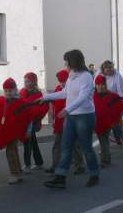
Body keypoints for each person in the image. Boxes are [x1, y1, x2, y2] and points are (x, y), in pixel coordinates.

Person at [39, 50, 99, 189]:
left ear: (73, 62)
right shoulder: (71, 76)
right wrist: (46, 97)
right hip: (71, 117)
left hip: (84, 116)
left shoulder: (86, 77)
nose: (65, 65)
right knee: (66, 148)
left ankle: (94, 174)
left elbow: (83, 97)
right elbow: (65, 93)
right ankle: (60, 178)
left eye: (67, 62)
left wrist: (67, 109)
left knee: (86, 148)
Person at [0, 78, 33, 185]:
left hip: (14, 132)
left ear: (15, 90)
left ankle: (15, 173)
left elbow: (28, 117)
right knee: (13, 152)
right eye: (6, 91)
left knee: (10, 153)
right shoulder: (2, 101)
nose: (8, 93)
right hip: (6, 131)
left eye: (10, 90)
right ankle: (18, 172)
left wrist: (28, 130)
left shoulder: (20, 102)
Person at [45, 69, 85, 175]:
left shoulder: (74, 89)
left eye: (64, 81)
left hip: (72, 121)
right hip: (59, 122)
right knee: (57, 144)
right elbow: (53, 104)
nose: (62, 83)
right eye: (60, 81)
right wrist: (53, 117)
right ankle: (55, 165)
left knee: (75, 144)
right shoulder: (58, 89)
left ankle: (79, 165)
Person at [20, 72, 49, 173]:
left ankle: (27, 165)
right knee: (33, 142)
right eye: (25, 81)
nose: (26, 83)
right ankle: (39, 163)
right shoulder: (22, 92)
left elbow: (43, 108)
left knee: (27, 143)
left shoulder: (38, 94)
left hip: (32, 122)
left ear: (33, 82)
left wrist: (33, 114)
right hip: (24, 121)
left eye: (28, 81)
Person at [93, 75, 123, 168]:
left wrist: (113, 117)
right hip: (97, 122)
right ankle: (106, 159)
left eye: (103, 84)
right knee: (103, 141)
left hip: (108, 122)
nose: (101, 86)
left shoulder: (112, 96)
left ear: (106, 85)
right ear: (95, 85)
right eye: (98, 84)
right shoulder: (92, 95)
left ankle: (105, 160)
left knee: (103, 141)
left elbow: (120, 105)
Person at [100, 60, 123, 146]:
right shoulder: (100, 75)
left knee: (116, 125)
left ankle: (121, 139)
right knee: (103, 126)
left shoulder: (117, 77)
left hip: (115, 104)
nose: (110, 71)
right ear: (104, 69)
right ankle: (105, 146)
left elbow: (122, 92)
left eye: (111, 68)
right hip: (104, 104)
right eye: (107, 69)